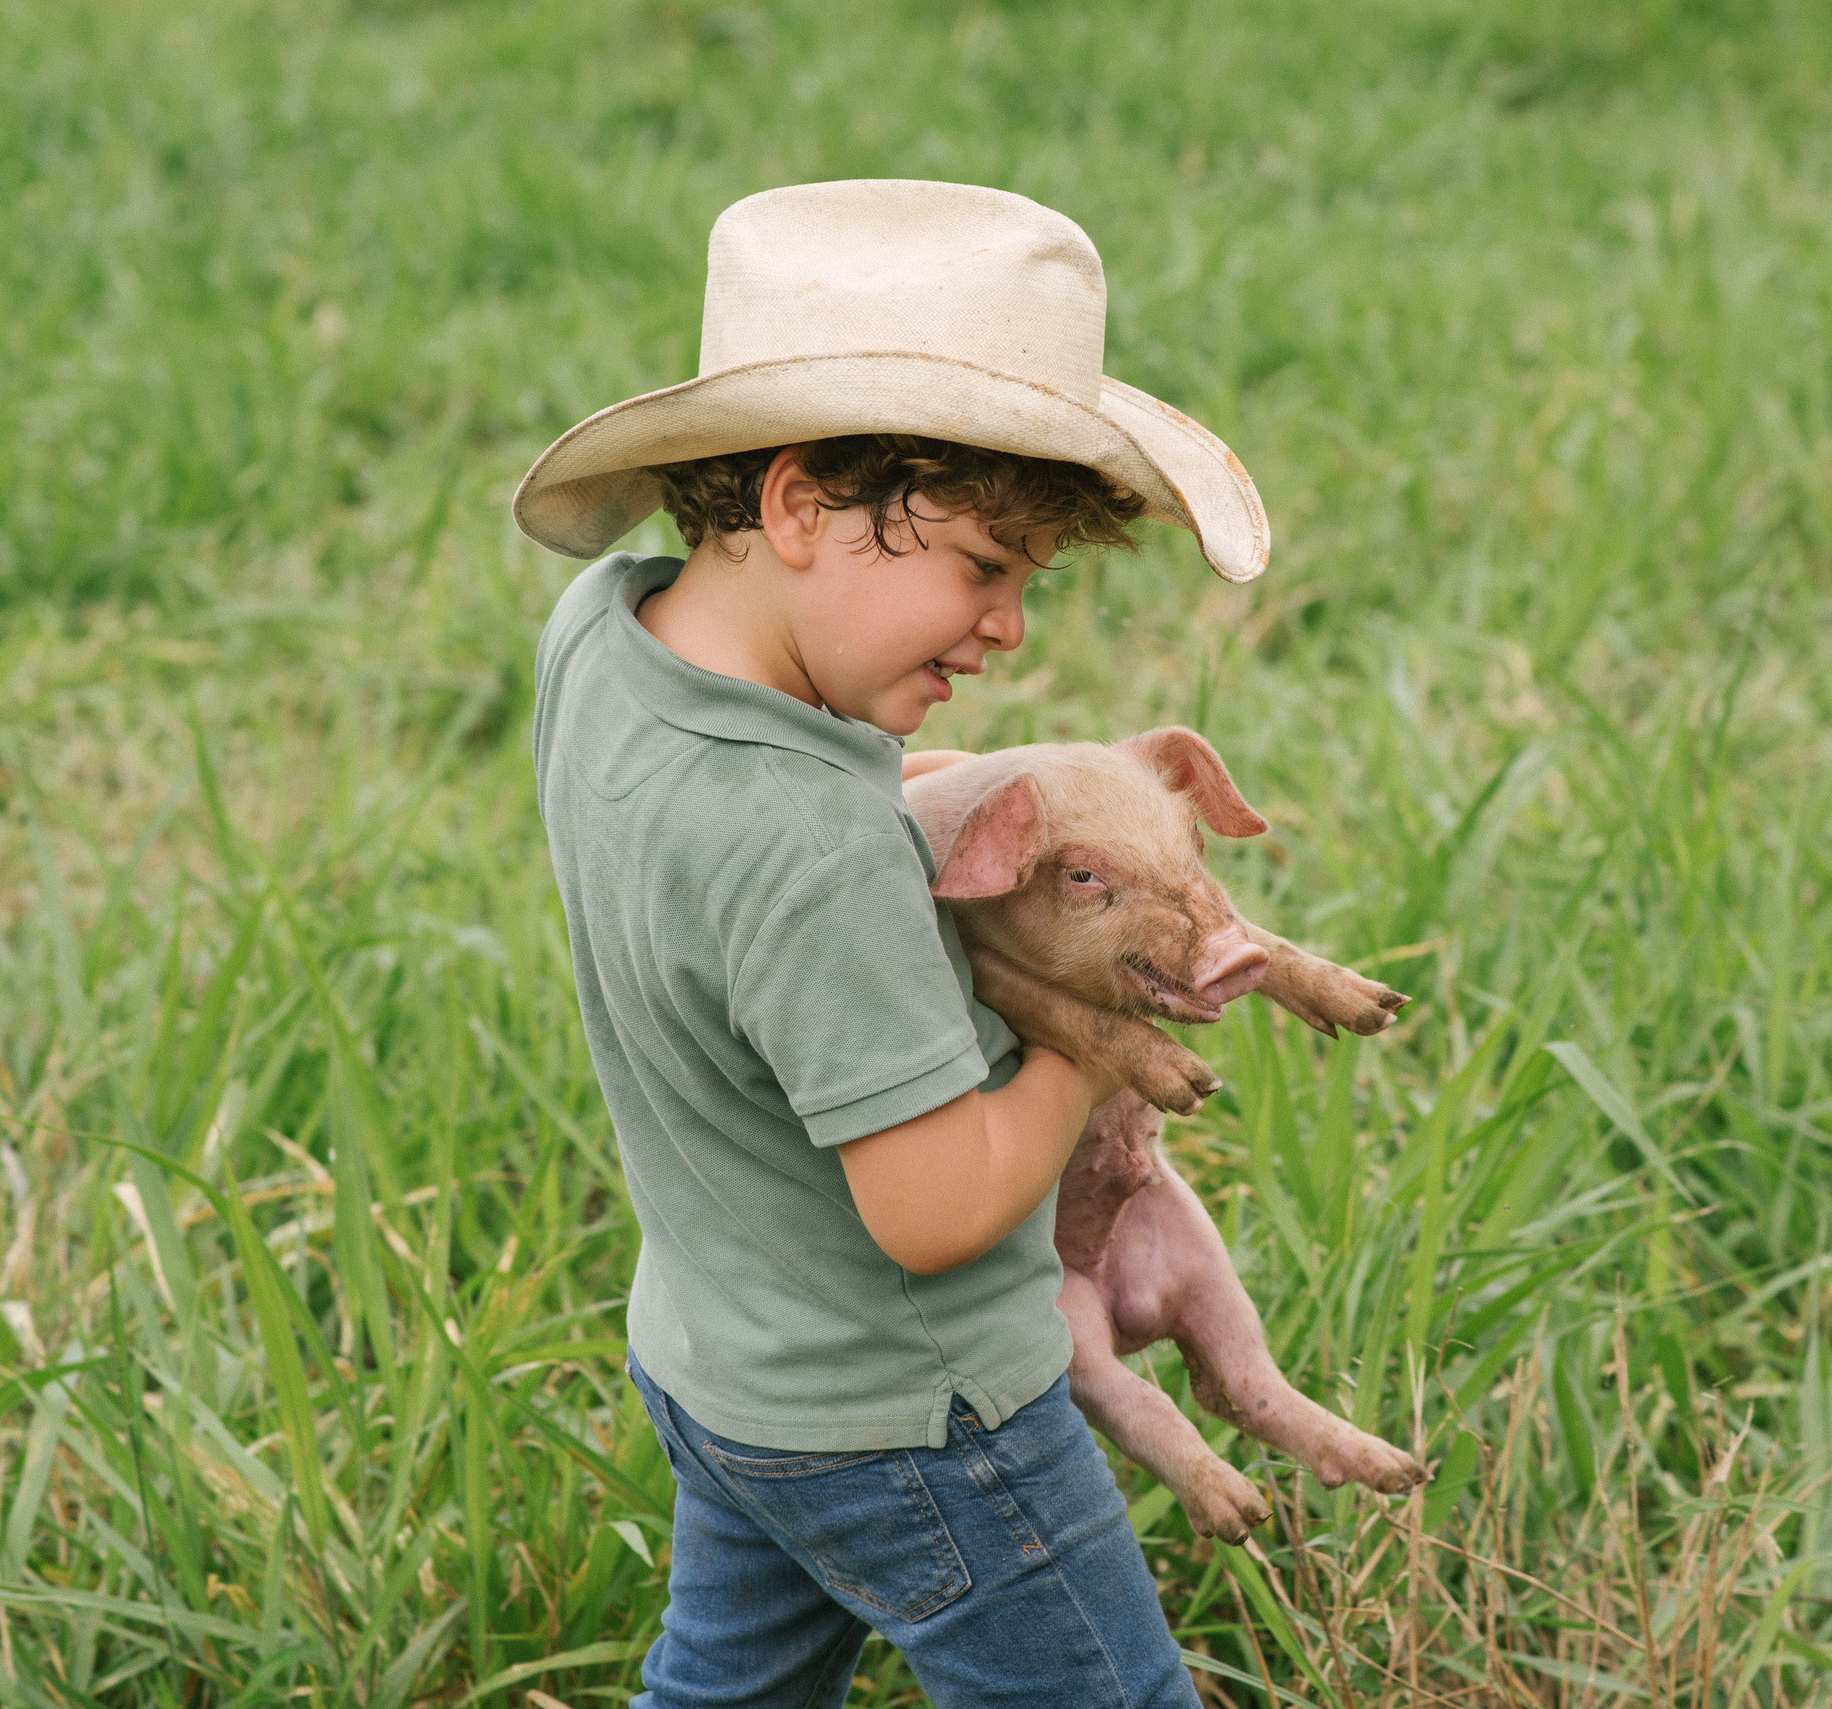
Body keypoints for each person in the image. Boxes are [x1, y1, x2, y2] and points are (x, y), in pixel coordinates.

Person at [517, 179, 1269, 1709]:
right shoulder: (810, 849)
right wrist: (1091, 1021)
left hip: (724, 1356)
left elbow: (750, 857)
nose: (1005, 630)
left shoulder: (606, 637)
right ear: (799, 506)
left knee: (727, 1691)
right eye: (983, 569)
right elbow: (932, 1208)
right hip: (923, 1415)